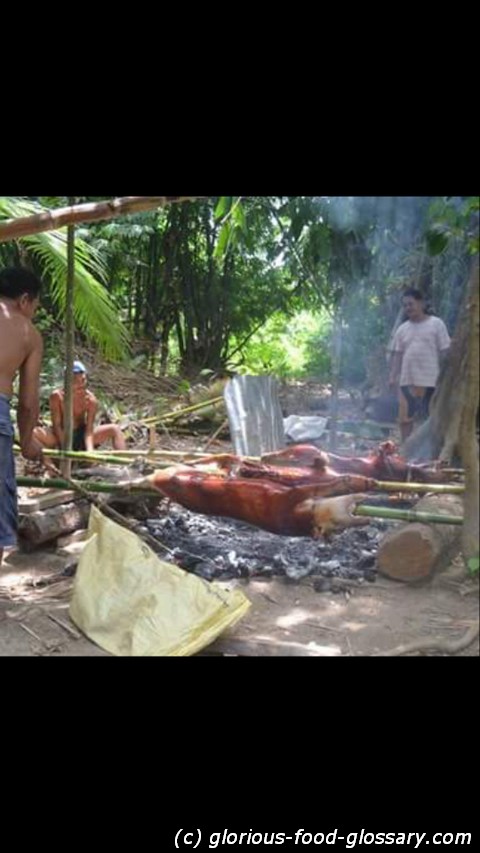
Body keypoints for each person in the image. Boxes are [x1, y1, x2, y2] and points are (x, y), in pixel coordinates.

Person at [0, 267, 45, 565]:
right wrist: (28, 442)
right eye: (36, 307)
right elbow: (28, 403)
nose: (34, 314)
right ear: (24, 300)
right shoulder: (27, 332)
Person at [388, 288, 451, 441]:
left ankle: (429, 453)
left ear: (421, 303)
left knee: (430, 419)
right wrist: (392, 376)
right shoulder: (402, 329)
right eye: (405, 305)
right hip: (407, 381)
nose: (408, 308)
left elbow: (445, 351)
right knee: (405, 419)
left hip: (431, 380)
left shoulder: (436, 324)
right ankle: (406, 450)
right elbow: (397, 354)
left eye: (411, 304)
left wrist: (446, 376)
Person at [34, 360, 127, 453]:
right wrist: (66, 447)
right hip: (61, 435)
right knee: (33, 433)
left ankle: (124, 463)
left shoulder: (90, 400)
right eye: (75, 381)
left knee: (114, 429)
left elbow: (89, 430)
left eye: (82, 380)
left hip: (81, 435)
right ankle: (48, 462)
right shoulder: (57, 397)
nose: (80, 384)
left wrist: (90, 450)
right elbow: (56, 425)